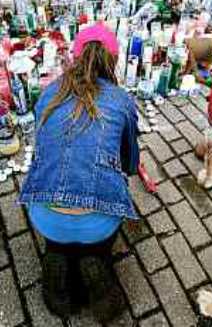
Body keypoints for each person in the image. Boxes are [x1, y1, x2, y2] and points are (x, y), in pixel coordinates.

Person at [18, 23, 139, 322]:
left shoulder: (48, 94)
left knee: (59, 231)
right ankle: (95, 260)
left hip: (45, 215)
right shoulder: (122, 101)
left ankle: (57, 266)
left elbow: (44, 150)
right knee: (95, 235)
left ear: (75, 56)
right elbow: (130, 166)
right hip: (98, 221)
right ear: (112, 61)